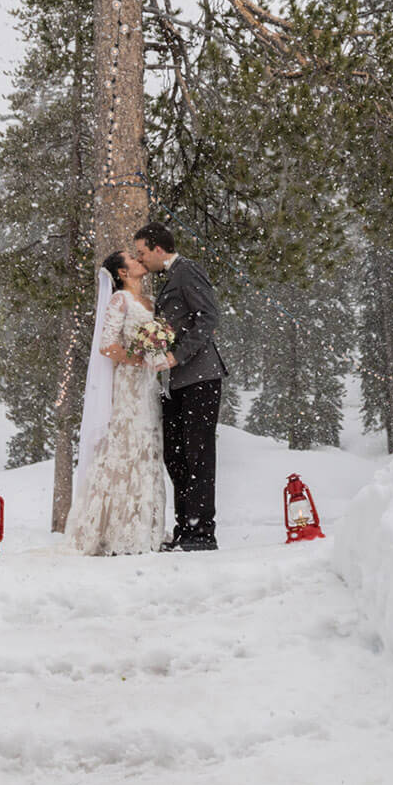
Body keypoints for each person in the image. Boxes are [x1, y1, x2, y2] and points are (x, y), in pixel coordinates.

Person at [64, 249, 168, 556]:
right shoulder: (119, 300)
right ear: (122, 273)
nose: (139, 261)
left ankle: (143, 529)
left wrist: (158, 349)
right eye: (132, 260)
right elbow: (108, 346)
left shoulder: (149, 302)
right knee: (126, 446)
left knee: (147, 447)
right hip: (129, 384)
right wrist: (137, 356)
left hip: (149, 385)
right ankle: (113, 530)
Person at [133, 222, 227, 551]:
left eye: (142, 252)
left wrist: (176, 355)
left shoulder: (188, 270)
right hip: (174, 383)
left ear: (159, 249)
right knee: (175, 454)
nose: (140, 259)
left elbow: (209, 316)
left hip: (200, 377)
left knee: (198, 454)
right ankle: (185, 528)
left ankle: (202, 533)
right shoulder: (169, 280)